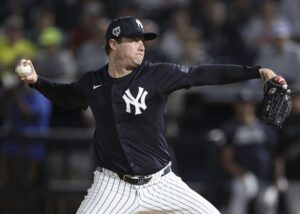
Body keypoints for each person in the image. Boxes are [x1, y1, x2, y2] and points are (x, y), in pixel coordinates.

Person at [16, 16, 280, 214]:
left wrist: (255, 71)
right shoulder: (93, 82)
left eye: (143, 40)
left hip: (162, 182)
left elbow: (204, 74)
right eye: (133, 40)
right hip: (112, 186)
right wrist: (36, 80)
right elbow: (67, 97)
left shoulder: (157, 74)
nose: (141, 46)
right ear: (113, 44)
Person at [220, 89, 280, 214]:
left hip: (265, 178)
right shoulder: (231, 128)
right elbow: (226, 159)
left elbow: (276, 155)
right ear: (235, 106)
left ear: (252, 106)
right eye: (240, 104)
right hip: (242, 177)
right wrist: (243, 174)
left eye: (247, 104)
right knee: (243, 189)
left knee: (267, 202)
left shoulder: (264, 128)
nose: (244, 108)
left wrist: (277, 181)